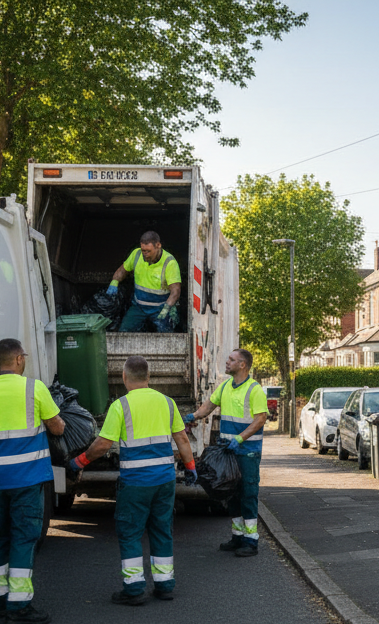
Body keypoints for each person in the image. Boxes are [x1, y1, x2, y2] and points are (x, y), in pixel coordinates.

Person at [67, 356, 197, 604]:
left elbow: (104, 444)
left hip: (136, 482)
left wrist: (79, 461)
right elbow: (181, 439)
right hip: (165, 480)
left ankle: (134, 589)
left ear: (124, 377)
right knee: (161, 530)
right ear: (149, 377)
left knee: (130, 533)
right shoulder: (168, 403)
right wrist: (190, 467)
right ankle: (165, 585)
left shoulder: (120, 406)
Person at [0, 338, 65, 624]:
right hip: (27, 478)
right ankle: (20, 606)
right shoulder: (34, 388)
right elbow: (57, 426)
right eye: (23, 357)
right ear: (17, 360)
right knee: (24, 539)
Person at [183, 349, 268, 557]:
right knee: (231, 492)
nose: (227, 362)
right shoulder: (225, 387)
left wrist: (240, 438)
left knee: (248, 494)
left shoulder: (254, 390)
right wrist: (191, 416)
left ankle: (251, 540)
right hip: (228, 451)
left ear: (243, 365)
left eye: (232, 360)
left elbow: (260, 419)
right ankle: (237, 536)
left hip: (247, 452)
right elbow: (208, 407)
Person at [107, 231, 182, 332]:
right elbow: (122, 270)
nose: (145, 254)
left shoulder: (169, 263)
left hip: (159, 309)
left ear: (158, 245)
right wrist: (114, 282)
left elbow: (175, 291)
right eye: (143, 250)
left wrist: (166, 309)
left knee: (166, 336)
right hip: (139, 308)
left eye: (148, 251)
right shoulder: (136, 254)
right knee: (124, 332)